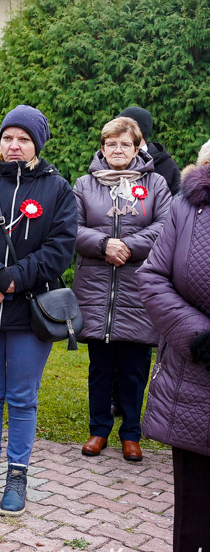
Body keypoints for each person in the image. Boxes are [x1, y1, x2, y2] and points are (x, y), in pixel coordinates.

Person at [0, 105, 77, 516]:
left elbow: (60, 249)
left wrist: (10, 281)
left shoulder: (58, 189)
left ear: (37, 143)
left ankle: (17, 475)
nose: (14, 145)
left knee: (22, 398)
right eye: (7, 138)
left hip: (30, 310)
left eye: (23, 139)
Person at [72, 117, 171, 462]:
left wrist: (126, 245)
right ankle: (98, 431)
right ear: (102, 148)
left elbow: (166, 226)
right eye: (111, 144)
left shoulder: (155, 184)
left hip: (139, 288)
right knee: (99, 367)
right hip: (96, 291)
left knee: (134, 367)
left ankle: (131, 433)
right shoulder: (84, 184)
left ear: (136, 147)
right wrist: (103, 245)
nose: (117, 149)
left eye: (125, 144)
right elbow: (71, 227)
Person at [138, 163, 210, 552]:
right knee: (195, 523)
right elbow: (153, 278)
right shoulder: (188, 207)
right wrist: (196, 334)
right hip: (196, 382)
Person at [118, 107, 181, 195]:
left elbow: (177, 200)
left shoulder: (167, 166)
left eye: (123, 127)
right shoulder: (110, 159)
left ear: (139, 131)